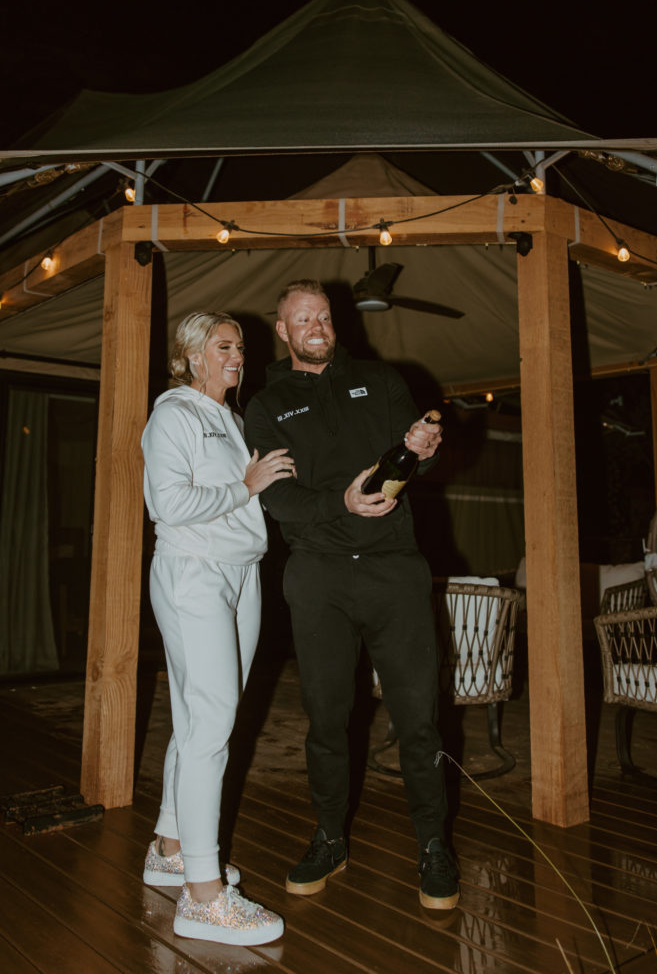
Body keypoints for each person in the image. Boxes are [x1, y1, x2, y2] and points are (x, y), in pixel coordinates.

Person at [244, 279, 460, 910]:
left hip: (395, 569)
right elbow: (276, 496)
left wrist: (424, 447)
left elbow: (420, 461)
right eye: (302, 318)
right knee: (327, 721)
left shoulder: (383, 380)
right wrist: (338, 502)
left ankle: (432, 845)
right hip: (319, 575)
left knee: (418, 718)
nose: (317, 326)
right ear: (283, 331)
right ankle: (330, 837)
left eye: (324, 316)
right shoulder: (268, 403)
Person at [140, 310, 295, 946]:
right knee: (211, 721)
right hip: (193, 572)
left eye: (240, 347)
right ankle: (202, 895)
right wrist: (245, 483)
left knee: (201, 717)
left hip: (241, 572)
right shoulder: (173, 414)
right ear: (193, 354)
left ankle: (170, 848)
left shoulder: (232, 419)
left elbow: (249, 493)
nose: (237, 355)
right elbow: (168, 503)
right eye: (224, 346)